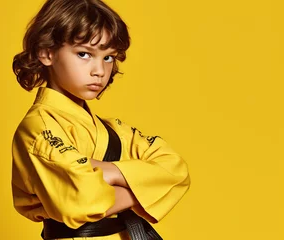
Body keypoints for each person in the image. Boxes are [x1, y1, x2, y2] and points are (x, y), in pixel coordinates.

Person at [11, 0, 191, 239]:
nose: (99, 70)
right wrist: (141, 189)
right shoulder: (38, 128)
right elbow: (81, 201)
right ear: (47, 53)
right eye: (84, 54)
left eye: (108, 57)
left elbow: (175, 170)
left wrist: (111, 171)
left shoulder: (114, 130)